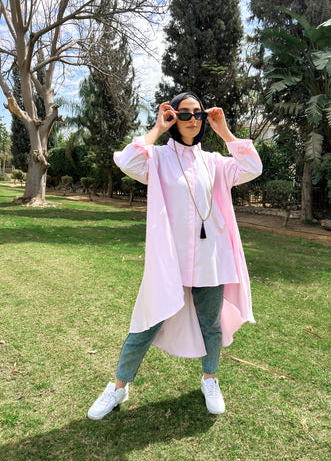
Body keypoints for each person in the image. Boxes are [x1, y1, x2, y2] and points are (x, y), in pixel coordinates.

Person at [87, 92, 262, 420]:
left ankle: (209, 379)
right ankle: (118, 387)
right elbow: (127, 160)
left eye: (197, 113)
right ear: (173, 118)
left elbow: (252, 166)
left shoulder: (215, 163)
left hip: (211, 261)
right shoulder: (158, 159)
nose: (192, 119)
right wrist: (155, 129)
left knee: (211, 325)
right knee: (145, 325)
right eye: (184, 114)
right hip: (170, 262)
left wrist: (225, 133)